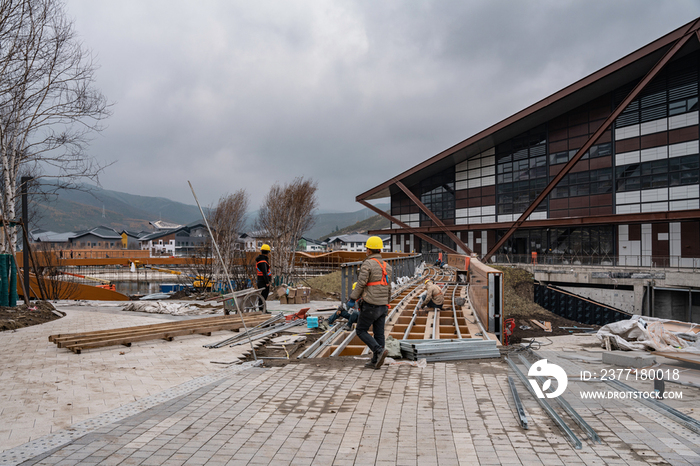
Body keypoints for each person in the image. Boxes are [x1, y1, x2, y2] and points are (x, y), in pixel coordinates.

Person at [347, 236, 392, 369]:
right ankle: (375, 361)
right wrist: (387, 303)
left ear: (370, 250)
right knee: (379, 334)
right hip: (383, 305)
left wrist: (352, 298)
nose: (366, 250)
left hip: (371, 303)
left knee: (361, 330)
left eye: (367, 248)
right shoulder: (387, 266)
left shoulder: (367, 264)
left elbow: (361, 284)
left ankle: (378, 351)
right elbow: (389, 286)